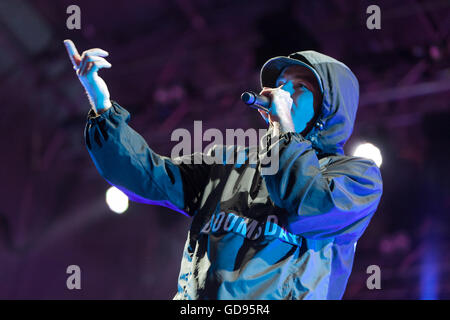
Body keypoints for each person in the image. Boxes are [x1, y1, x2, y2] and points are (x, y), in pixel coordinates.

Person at [64, 39, 383, 300]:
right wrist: (101, 104)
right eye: (280, 84)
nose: (282, 92)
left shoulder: (356, 178)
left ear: (330, 107)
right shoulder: (229, 162)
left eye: (299, 87)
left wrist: (285, 131)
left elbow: (306, 203)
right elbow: (149, 177)